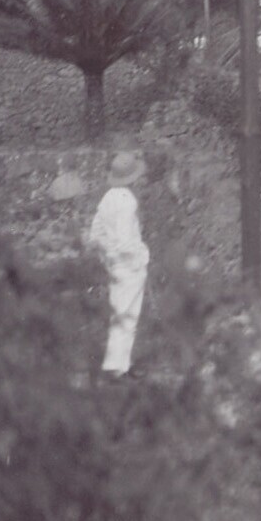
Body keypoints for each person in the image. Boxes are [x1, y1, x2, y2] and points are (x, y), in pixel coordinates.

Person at [88, 151, 151, 380]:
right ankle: (115, 369)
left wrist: (107, 255)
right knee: (126, 316)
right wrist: (140, 258)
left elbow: (95, 234)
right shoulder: (127, 202)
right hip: (128, 267)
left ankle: (121, 366)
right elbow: (125, 242)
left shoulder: (108, 198)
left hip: (115, 265)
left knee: (122, 314)